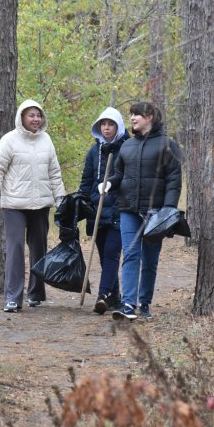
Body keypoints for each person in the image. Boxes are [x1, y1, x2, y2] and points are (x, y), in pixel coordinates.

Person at [101, 102, 182, 321]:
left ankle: (144, 303)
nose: (133, 118)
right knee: (130, 254)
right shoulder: (127, 146)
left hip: (155, 212)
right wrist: (108, 184)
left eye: (137, 114)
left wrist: (168, 211)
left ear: (150, 117)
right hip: (127, 208)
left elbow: (174, 180)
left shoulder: (168, 145)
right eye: (132, 115)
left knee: (150, 259)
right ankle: (128, 304)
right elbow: (119, 174)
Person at [0, 99, 66, 312]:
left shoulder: (46, 140)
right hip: (14, 204)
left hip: (40, 204)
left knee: (39, 247)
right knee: (16, 248)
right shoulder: (9, 140)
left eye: (38, 116)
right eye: (31, 115)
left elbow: (54, 173)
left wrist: (60, 198)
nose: (36, 120)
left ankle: (36, 293)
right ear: (22, 117)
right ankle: (12, 296)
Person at [79, 107, 129, 315]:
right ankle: (115, 297)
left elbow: (129, 178)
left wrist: (113, 187)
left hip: (119, 209)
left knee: (111, 254)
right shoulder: (94, 151)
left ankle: (102, 296)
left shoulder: (127, 149)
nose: (107, 128)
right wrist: (83, 202)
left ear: (118, 126)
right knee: (103, 255)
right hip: (97, 211)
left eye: (111, 124)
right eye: (103, 124)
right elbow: (86, 181)